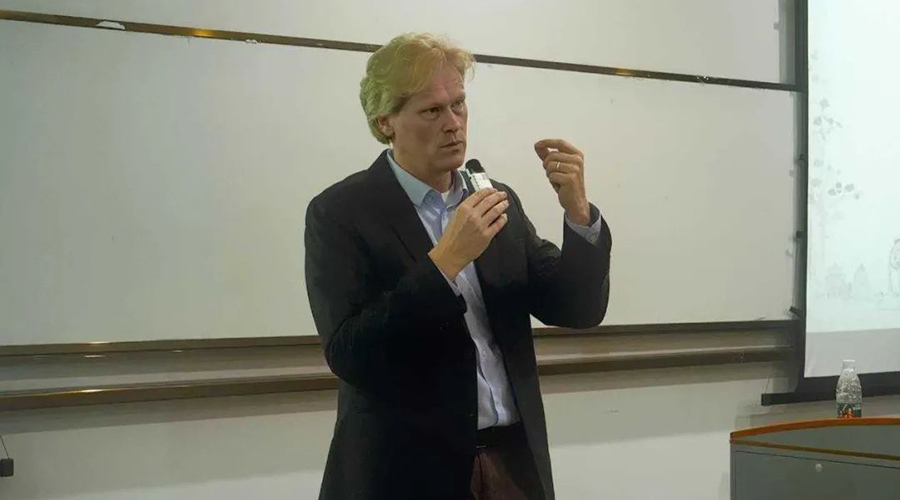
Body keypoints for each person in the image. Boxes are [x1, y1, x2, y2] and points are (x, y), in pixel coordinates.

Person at [305, 32, 611, 500]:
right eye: (432, 111)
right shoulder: (341, 213)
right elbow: (350, 354)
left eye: (459, 105)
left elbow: (578, 307)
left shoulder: (493, 199)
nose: (453, 124)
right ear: (385, 121)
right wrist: (443, 264)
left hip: (512, 462)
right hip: (406, 474)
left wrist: (579, 214)